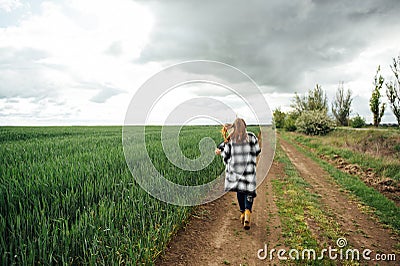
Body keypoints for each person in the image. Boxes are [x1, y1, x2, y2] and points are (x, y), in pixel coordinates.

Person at [215, 118, 261, 230]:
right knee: (249, 191)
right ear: (245, 126)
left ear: (234, 128)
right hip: (249, 170)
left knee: (240, 191)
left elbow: (226, 156)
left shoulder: (231, 140)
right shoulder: (252, 137)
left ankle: (242, 212)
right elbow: (257, 151)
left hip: (235, 172)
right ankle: (247, 211)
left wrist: (220, 153)